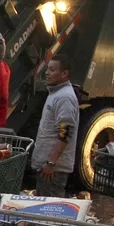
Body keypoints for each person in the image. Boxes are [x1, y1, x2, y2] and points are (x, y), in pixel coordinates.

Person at [31, 55, 80, 197]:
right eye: (47, 69)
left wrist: (51, 162)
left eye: (52, 70)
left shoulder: (64, 97)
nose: (47, 73)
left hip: (53, 170)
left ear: (64, 74)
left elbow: (65, 132)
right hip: (48, 166)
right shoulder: (56, 93)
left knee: (50, 210)